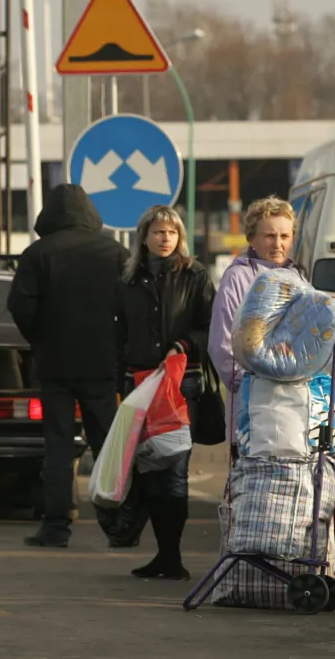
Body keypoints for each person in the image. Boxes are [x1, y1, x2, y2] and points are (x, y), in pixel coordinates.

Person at [7, 183, 128, 549]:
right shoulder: (115, 253)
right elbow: (131, 307)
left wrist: (41, 338)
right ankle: (117, 524)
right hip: (103, 363)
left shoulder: (37, 254)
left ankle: (56, 525)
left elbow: (20, 306)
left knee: (58, 445)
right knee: (107, 445)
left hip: (55, 364)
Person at [113, 205, 214, 580]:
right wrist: (116, 386)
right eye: (158, 232)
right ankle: (162, 554)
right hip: (138, 384)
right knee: (149, 471)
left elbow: (210, 326)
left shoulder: (195, 275)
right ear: (144, 237)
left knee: (174, 470)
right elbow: (117, 336)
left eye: (172, 232)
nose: (165, 238)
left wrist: (184, 344)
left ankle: (172, 556)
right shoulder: (127, 280)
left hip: (179, 384)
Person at [209, 197, 302, 451]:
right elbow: (222, 344)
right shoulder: (237, 278)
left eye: (285, 236)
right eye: (270, 236)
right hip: (250, 411)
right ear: (252, 237)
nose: (278, 244)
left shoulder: (298, 278)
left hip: (292, 409)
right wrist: (252, 384)